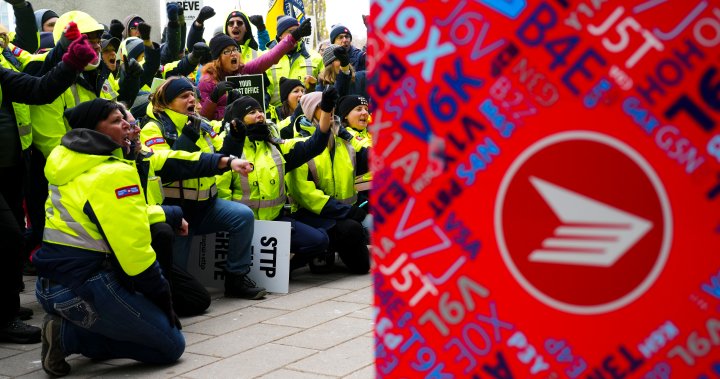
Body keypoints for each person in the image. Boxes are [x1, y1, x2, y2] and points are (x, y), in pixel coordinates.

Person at [33, 99, 188, 377]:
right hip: (86, 286)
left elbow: (113, 216)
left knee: (148, 327)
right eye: (117, 121)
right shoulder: (113, 172)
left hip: (48, 285)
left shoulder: (66, 159)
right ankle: (67, 335)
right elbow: (135, 256)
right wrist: (164, 300)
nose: (128, 125)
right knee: (171, 345)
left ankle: (78, 326)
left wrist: (169, 214)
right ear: (95, 131)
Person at [0, 36, 97, 345]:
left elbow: (37, 89)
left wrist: (70, 61)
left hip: (12, 168)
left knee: (13, 235)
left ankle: (8, 310)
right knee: (9, 235)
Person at [139, 76, 266, 299]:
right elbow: (168, 167)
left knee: (243, 217)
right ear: (166, 102)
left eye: (193, 95)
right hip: (178, 210)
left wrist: (235, 138)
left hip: (207, 206)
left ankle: (236, 278)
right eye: (184, 96)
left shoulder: (201, 124)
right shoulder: (153, 128)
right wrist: (189, 133)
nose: (192, 100)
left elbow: (225, 157)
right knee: (176, 276)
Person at [216, 91, 338, 272]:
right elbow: (222, 196)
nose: (259, 115)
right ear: (237, 121)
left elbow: (316, 144)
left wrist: (326, 111)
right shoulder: (226, 148)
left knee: (319, 241)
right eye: (251, 112)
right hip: (242, 228)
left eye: (260, 110)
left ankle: (283, 270)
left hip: (275, 223)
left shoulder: (274, 145)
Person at [285, 92, 371, 275]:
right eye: (322, 107)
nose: (329, 111)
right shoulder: (299, 144)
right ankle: (322, 250)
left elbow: (372, 159)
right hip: (312, 215)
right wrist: (347, 212)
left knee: (362, 267)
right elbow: (306, 195)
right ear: (310, 112)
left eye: (330, 106)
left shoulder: (344, 141)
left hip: (342, 214)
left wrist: (349, 137)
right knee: (352, 229)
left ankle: (331, 249)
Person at [198, 18, 312, 121]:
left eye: (235, 49)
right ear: (218, 58)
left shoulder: (244, 70)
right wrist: (214, 97)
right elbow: (203, 118)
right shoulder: (207, 81)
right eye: (227, 51)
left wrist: (294, 36)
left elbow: (270, 56)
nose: (233, 54)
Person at [264, 15, 324, 108]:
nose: (297, 35)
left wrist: (313, 87)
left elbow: (324, 88)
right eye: (291, 32)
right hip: (275, 117)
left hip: (306, 115)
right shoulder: (265, 57)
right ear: (280, 35)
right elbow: (263, 92)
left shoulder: (316, 57)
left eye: (298, 31)